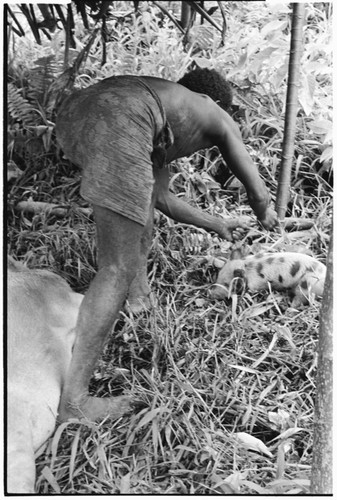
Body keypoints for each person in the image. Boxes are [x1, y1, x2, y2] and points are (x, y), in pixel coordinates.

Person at [56, 68, 278, 421]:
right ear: (218, 102)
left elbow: (160, 197)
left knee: (137, 213)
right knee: (117, 266)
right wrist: (265, 211)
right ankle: (75, 402)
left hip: (75, 112)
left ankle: (137, 299)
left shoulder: (165, 113)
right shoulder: (214, 110)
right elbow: (254, 183)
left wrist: (216, 223)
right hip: (122, 116)